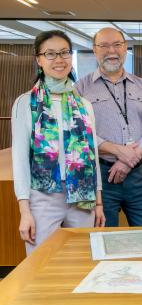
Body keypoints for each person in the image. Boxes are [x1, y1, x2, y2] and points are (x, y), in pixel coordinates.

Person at [12, 30, 105, 254]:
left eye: (64, 53)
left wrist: (99, 202)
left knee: (83, 261)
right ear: (39, 59)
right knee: (40, 264)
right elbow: (20, 160)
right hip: (43, 198)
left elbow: (93, 158)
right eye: (51, 54)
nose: (59, 60)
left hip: (82, 198)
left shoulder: (84, 104)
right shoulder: (26, 103)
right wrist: (25, 211)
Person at [76, 27, 142, 227]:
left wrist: (128, 160)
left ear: (125, 48)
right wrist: (117, 150)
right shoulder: (80, 89)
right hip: (100, 178)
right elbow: (79, 134)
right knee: (103, 238)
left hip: (139, 176)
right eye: (104, 45)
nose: (111, 51)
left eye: (117, 45)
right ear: (94, 50)